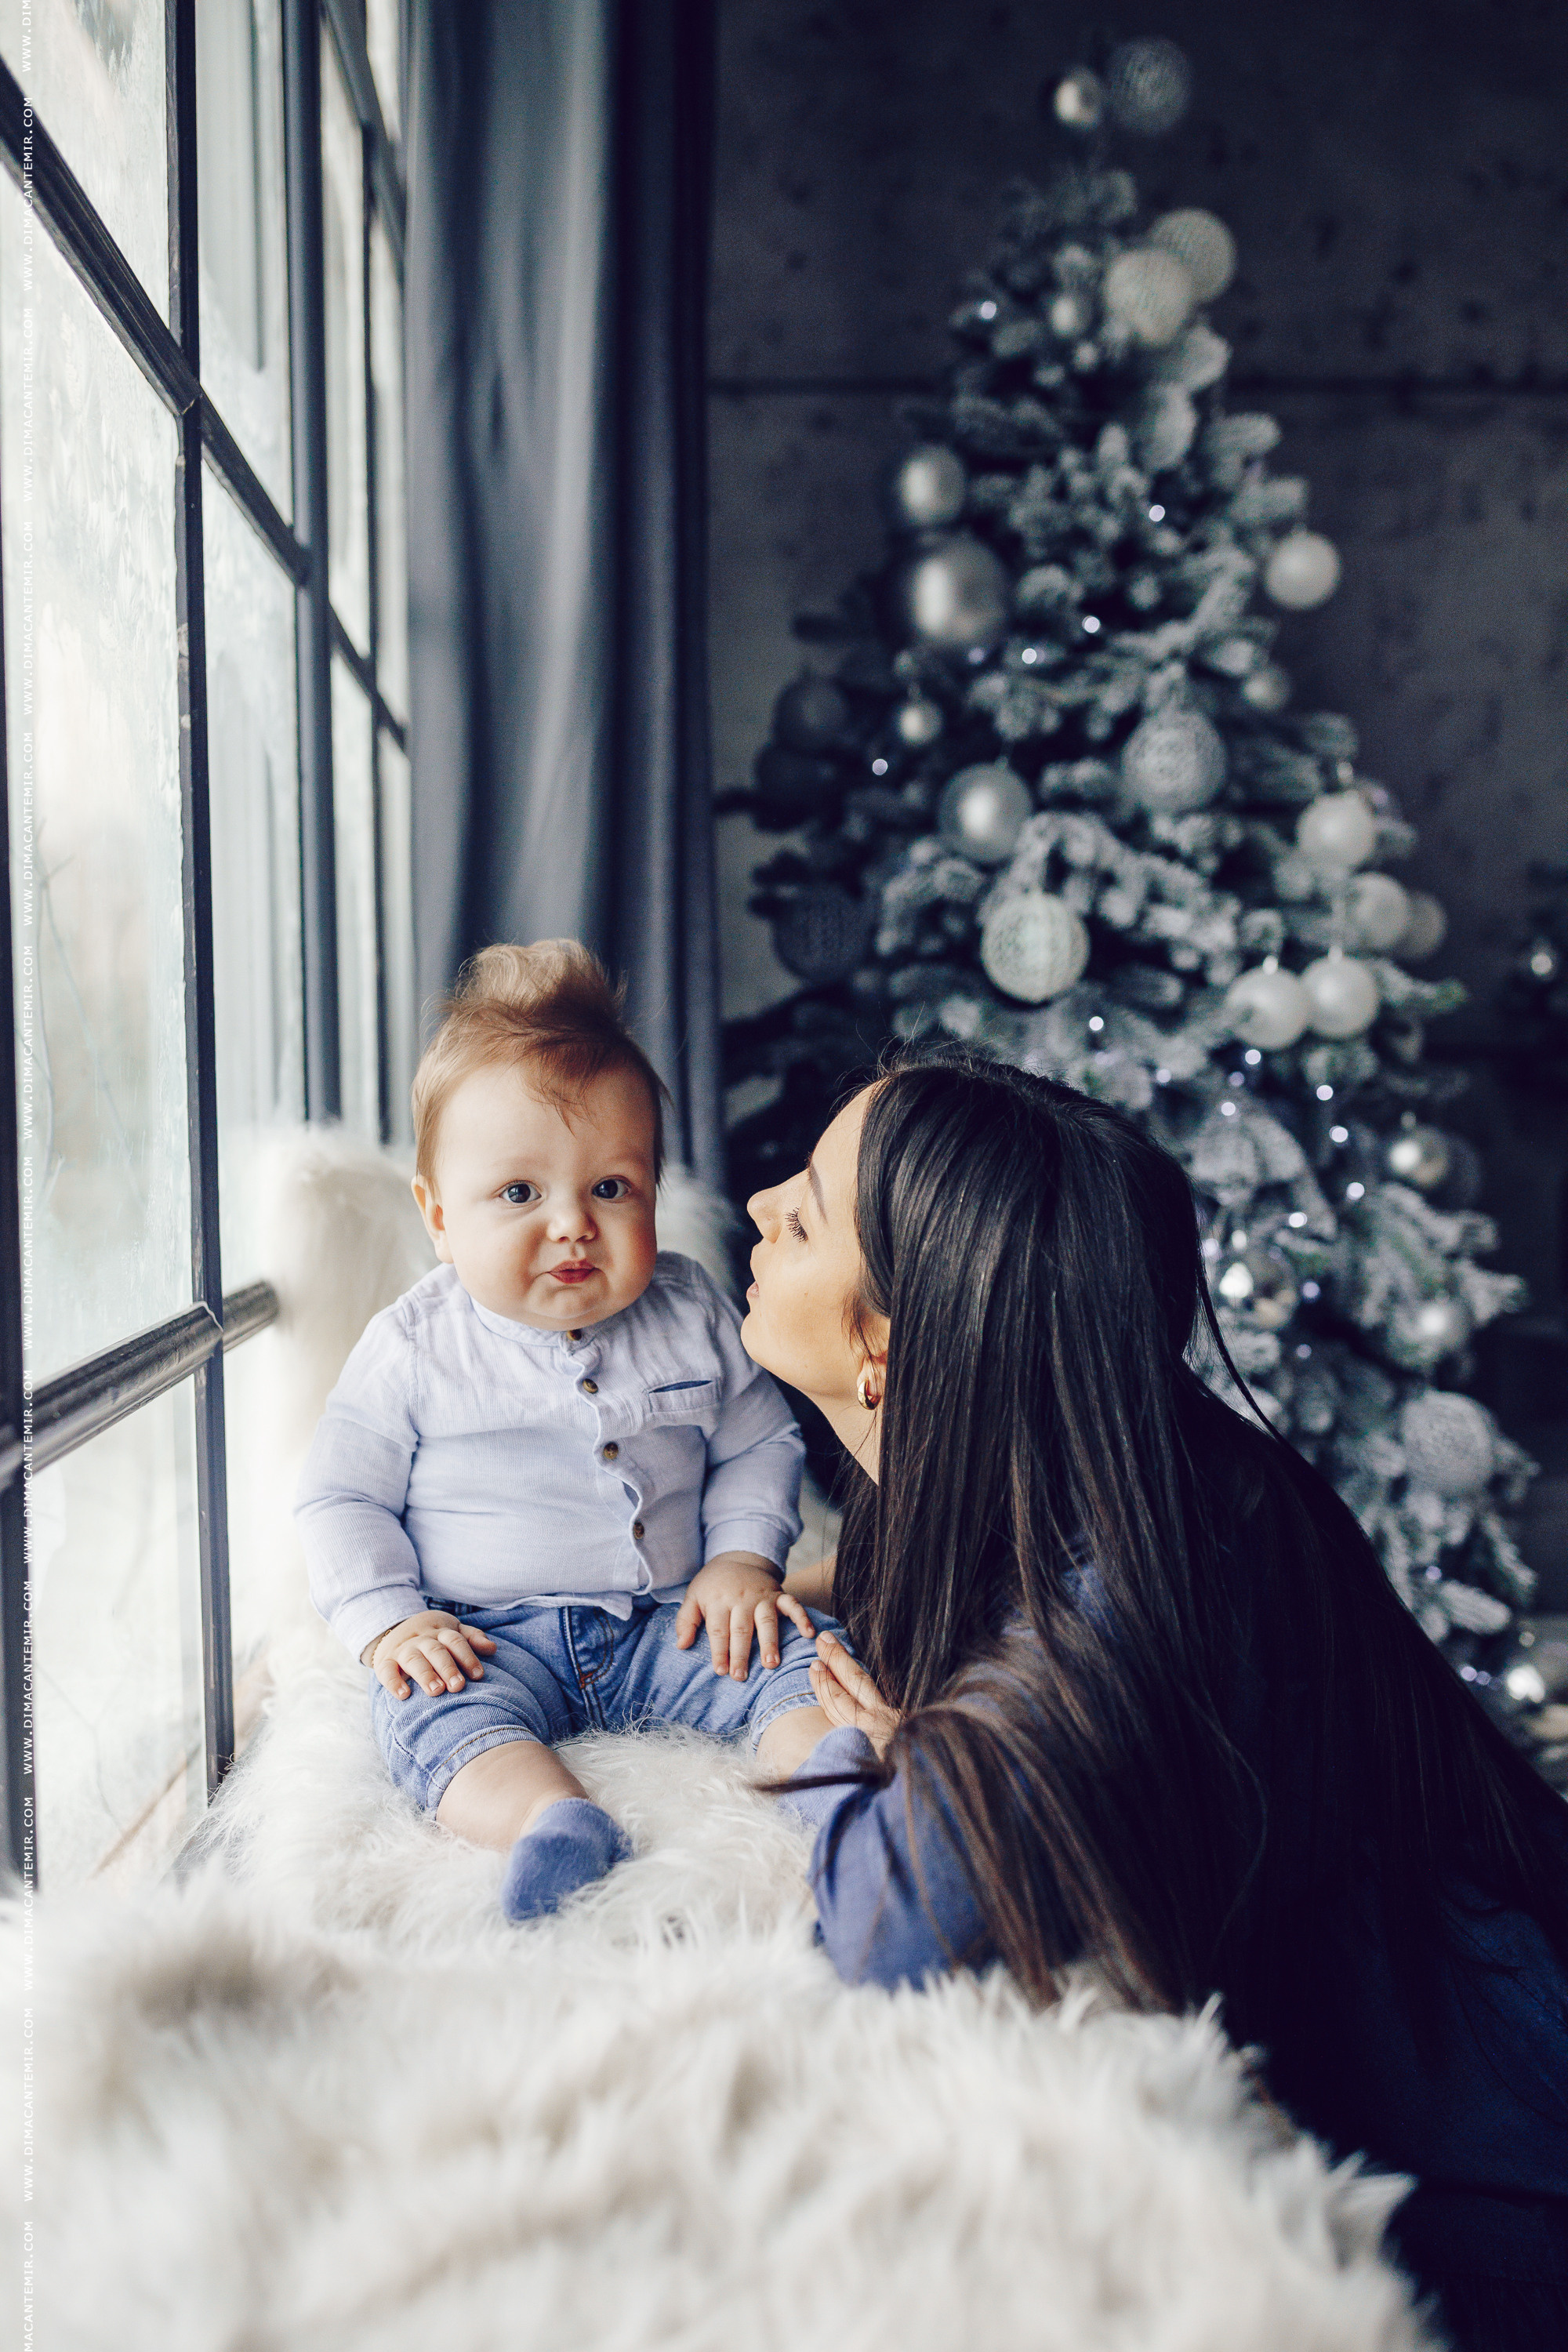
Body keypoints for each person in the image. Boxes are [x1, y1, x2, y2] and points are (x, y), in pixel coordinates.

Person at [743, 1047, 1568, 2352]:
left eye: (801, 1211)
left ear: (889, 1339)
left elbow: (892, 1926)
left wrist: (835, 1742)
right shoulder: (1037, 1464)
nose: (752, 1213)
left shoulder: (1146, 1570)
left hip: (1503, 2206)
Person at [295, 942, 830, 1923]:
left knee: (793, 1653)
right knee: (429, 1714)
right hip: (487, 1635)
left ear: (655, 1191)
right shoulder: (414, 1347)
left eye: (611, 1188)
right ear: (437, 1216)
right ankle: (548, 1821)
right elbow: (340, 1494)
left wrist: (741, 1564)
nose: (573, 1226)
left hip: (674, 1616)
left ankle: (833, 1776)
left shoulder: (690, 1308)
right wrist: (389, 1623)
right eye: (518, 1195)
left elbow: (758, 1439)